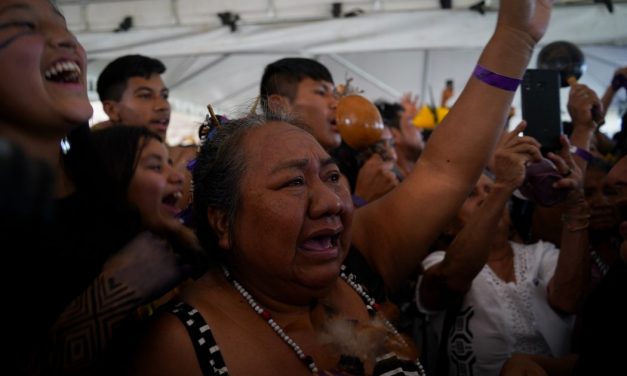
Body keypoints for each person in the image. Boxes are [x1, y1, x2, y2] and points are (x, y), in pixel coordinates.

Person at [126, 2, 557, 373]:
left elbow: (443, 172)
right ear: (222, 222)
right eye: (294, 181)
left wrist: (515, 37)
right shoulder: (178, 347)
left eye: (333, 177)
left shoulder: (356, 263)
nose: (331, 202)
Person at [0, 1, 198, 373]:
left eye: (64, 26)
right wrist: (115, 289)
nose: (66, 39)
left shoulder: (105, 184)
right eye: (24, 25)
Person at [416, 125, 590, 376]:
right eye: (470, 195)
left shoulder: (541, 254)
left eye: (489, 189)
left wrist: (575, 206)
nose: (486, 198)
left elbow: (568, 299)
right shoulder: (438, 261)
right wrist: (503, 185)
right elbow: (453, 278)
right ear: (448, 227)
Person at [95, 54, 171, 140]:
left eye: (164, 96)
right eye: (145, 96)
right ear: (112, 110)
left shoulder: (176, 152)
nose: (163, 106)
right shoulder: (85, 151)